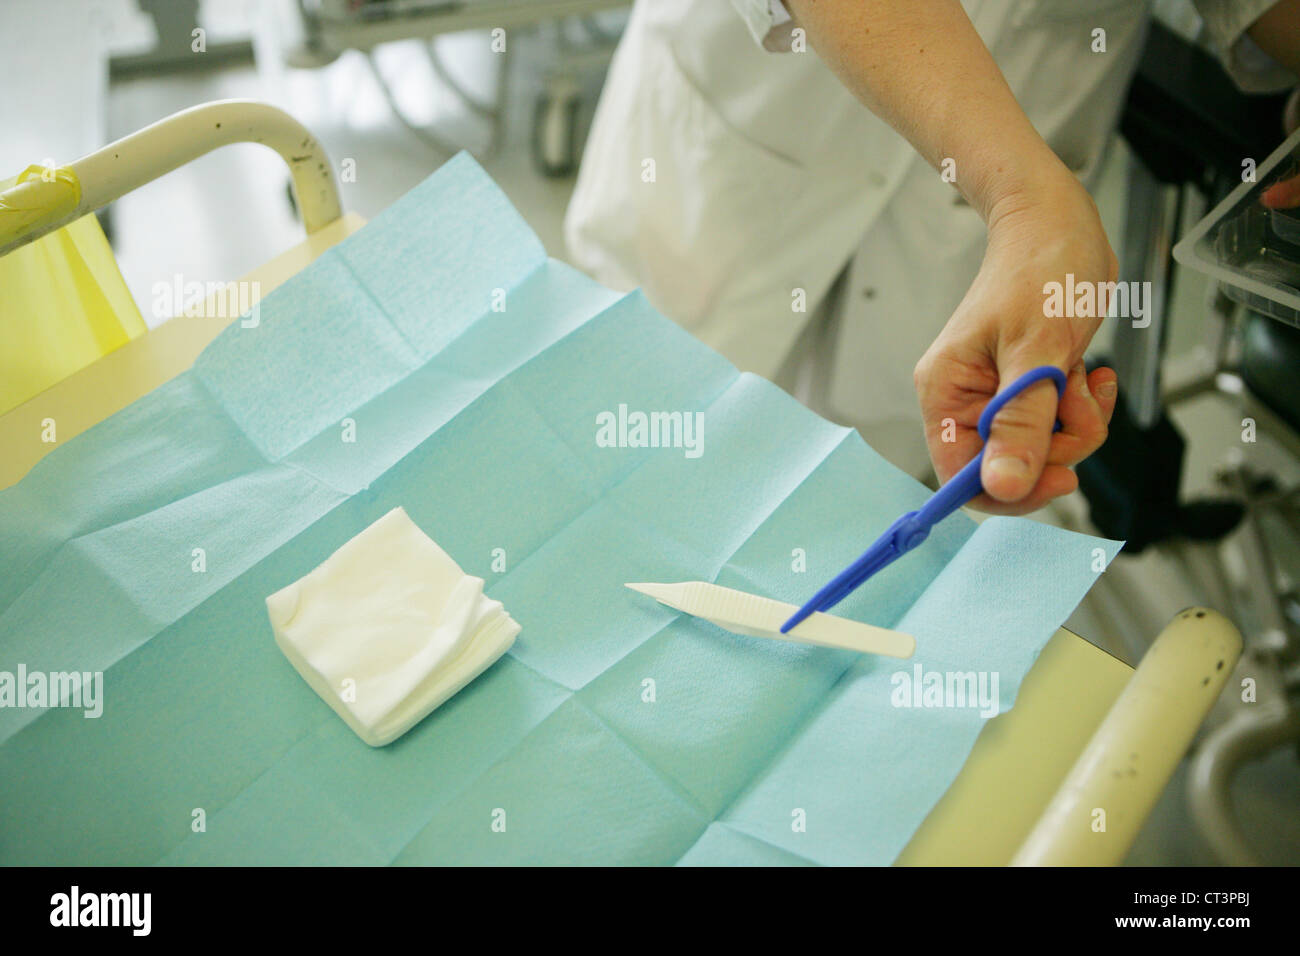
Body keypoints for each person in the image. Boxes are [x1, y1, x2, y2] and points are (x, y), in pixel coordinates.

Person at [565, 0, 1300, 514]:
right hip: (733, 162)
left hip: (960, 254)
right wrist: (1023, 199)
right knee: (611, 476)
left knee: (853, 519)